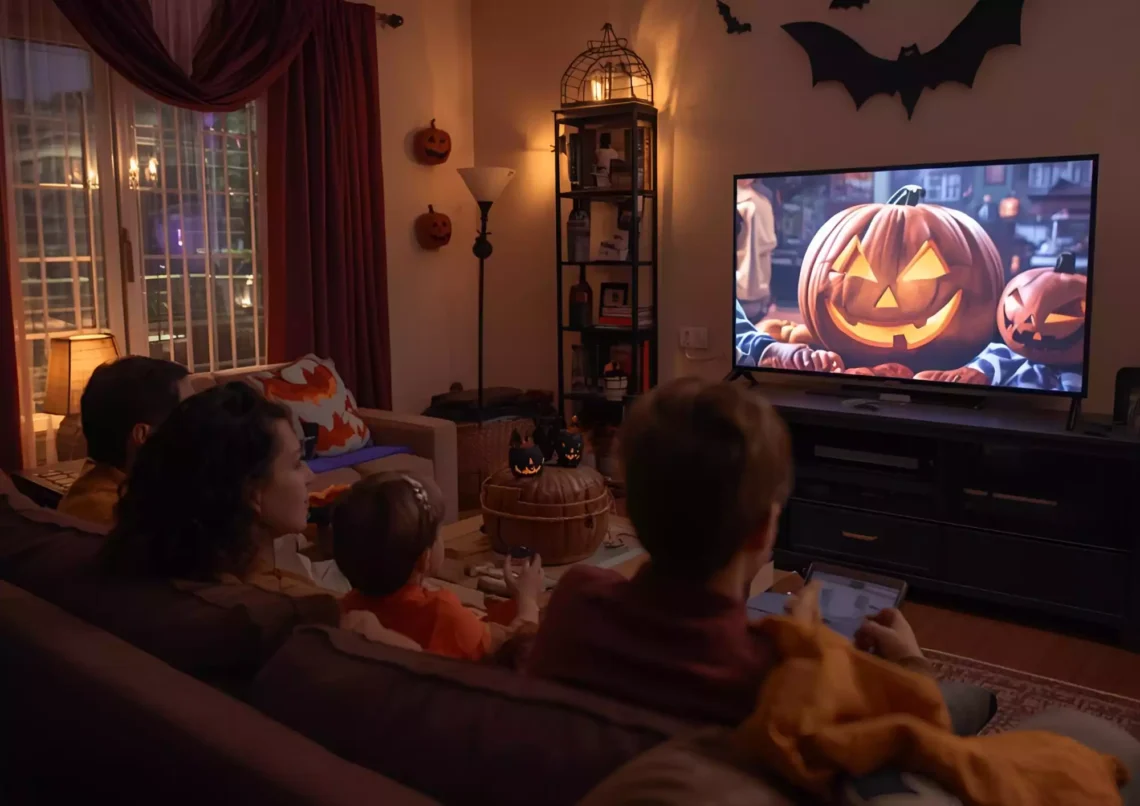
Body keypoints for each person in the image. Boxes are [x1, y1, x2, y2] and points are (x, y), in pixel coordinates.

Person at [525, 377, 932, 724]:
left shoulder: (576, 603)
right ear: (762, 530)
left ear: (630, 510)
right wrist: (909, 665)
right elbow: (920, 743)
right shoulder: (780, 681)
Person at [332, 472, 544, 661]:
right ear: (424, 558)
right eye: (439, 532)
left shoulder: (346, 610)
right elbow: (515, 648)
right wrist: (527, 599)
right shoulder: (443, 613)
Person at [57, 356, 192, 525]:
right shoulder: (114, 514)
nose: (199, 423)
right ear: (142, 435)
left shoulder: (130, 486)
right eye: (189, 414)